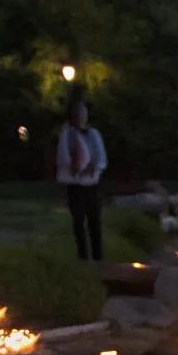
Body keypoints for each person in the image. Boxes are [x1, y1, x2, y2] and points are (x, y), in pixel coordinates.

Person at [56, 99, 106, 262]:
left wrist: (93, 168)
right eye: (78, 113)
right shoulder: (67, 135)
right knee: (78, 223)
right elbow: (63, 158)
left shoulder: (93, 134)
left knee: (95, 224)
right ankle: (83, 258)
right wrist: (76, 167)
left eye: (83, 113)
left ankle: (98, 259)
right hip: (75, 186)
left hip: (91, 185)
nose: (81, 116)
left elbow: (101, 158)